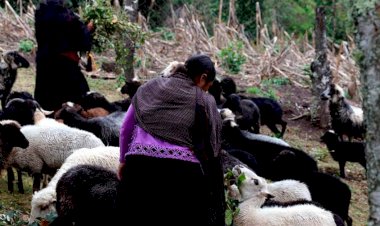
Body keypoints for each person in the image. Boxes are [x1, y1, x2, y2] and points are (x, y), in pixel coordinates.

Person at [117, 54, 226, 226]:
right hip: (182, 174)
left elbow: (126, 127)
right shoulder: (204, 100)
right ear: (203, 77)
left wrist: (123, 160)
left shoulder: (148, 88)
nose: (205, 90)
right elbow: (211, 145)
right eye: (207, 86)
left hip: (139, 166)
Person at [34, 0, 93, 111]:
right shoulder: (67, 17)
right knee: (78, 97)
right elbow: (81, 38)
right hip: (64, 64)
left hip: (45, 61)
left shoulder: (40, 12)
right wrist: (88, 29)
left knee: (46, 96)